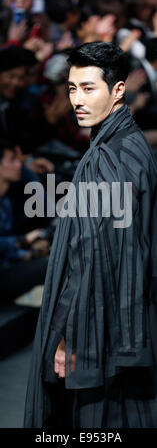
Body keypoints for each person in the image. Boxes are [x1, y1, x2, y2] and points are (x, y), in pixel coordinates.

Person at [24, 42, 157, 428]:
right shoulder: (126, 146)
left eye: (88, 88)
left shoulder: (111, 160)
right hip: (119, 328)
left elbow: (94, 260)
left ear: (117, 91)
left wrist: (67, 337)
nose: (77, 100)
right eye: (71, 88)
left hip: (98, 333)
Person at [0, 139, 49, 303]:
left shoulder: (5, 201)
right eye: (12, 160)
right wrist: (22, 241)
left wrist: (29, 254)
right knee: (51, 265)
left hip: (8, 266)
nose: (19, 164)